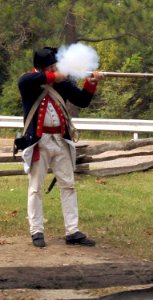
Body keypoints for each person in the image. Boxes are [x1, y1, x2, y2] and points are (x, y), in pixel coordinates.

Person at [18, 46, 104, 248]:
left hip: (60, 139)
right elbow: (27, 80)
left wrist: (90, 84)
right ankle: (36, 231)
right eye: (53, 65)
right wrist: (55, 75)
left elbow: (82, 101)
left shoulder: (62, 82)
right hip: (39, 142)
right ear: (45, 67)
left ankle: (72, 231)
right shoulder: (29, 81)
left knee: (68, 185)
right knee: (35, 189)